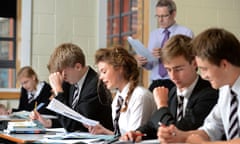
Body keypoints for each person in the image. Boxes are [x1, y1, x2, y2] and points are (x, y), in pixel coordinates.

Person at [121, 34, 218, 142]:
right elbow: (154, 123)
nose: (172, 76)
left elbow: (178, 132)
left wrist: (162, 105)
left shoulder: (209, 93)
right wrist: (139, 133)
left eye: (178, 69)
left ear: (194, 63)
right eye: (168, 70)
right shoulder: (173, 91)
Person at [157, 28, 240, 143]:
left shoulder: (213, 91)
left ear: (224, 64)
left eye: (205, 69)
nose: (203, 76)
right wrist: (179, 136)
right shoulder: (225, 91)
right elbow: (211, 129)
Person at [30, 43, 113, 132]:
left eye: (64, 75)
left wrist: (58, 91)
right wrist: (48, 122)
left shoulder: (95, 86)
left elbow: (73, 126)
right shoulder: (73, 83)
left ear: (78, 67)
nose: (63, 79)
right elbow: (72, 119)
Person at [85, 46, 156, 136]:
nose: (100, 77)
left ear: (120, 68)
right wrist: (105, 131)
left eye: (104, 72)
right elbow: (123, 136)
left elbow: (134, 138)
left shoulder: (139, 96)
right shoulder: (117, 100)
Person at [135, 0, 194, 92]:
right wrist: (144, 62)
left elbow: (189, 59)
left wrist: (166, 54)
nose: (160, 20)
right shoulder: (153, 34)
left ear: (173, 14)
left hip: (175, 83)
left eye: (164, 16)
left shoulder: (185, 32)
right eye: (158, 16)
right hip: (156, 82)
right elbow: (151, 66)